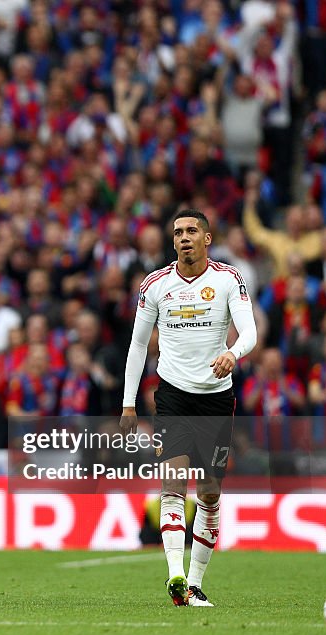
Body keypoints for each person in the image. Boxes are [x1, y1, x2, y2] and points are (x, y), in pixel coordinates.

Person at [120, 209, 257, 608]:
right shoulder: (155, 285)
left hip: (215, 398)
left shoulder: (227, 279)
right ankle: (176, 576)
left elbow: (249, 330)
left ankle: (196, 581)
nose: (183, 237)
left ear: (207, 238)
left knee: (210, 494)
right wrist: (128, 403)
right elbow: (137, 346)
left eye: (191, 230)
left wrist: (233, 353)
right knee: (173, 483)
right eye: (178, 231)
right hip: (173, 396)